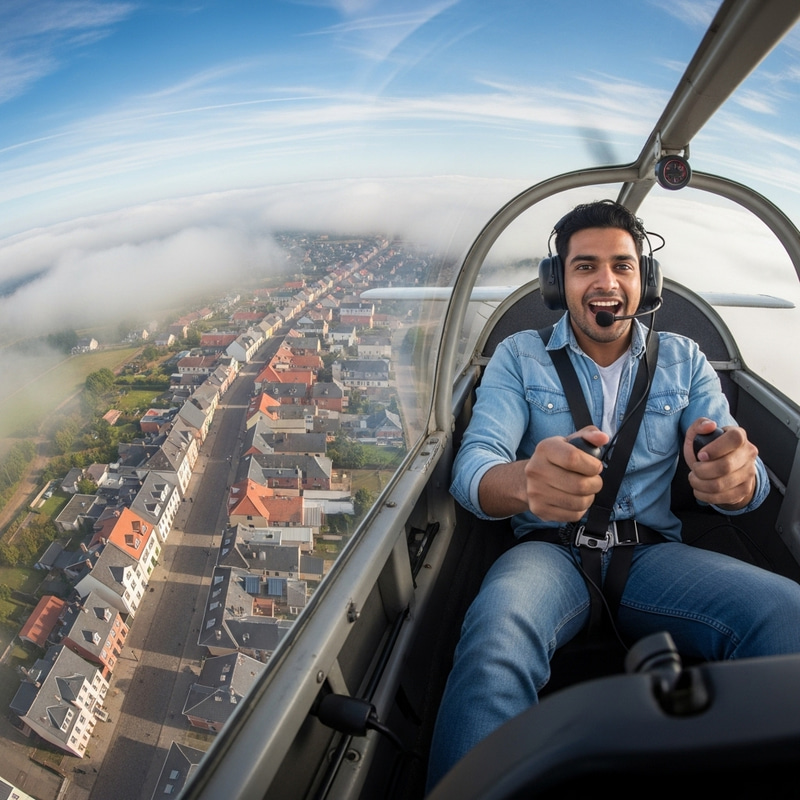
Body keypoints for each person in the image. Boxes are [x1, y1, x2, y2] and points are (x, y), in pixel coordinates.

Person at [426, 199, 800, 790]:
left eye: (622, 265)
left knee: (788, 612)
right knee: (495, 638)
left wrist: (736, 480)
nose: (606, 282)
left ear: (644, 279)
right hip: (549, 553)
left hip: (653, 555)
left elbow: (735, 463)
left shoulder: (684, 360)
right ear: (558, 282)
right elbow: (474, 470)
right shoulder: (519, 356)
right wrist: (525, 482)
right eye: (585, 266)